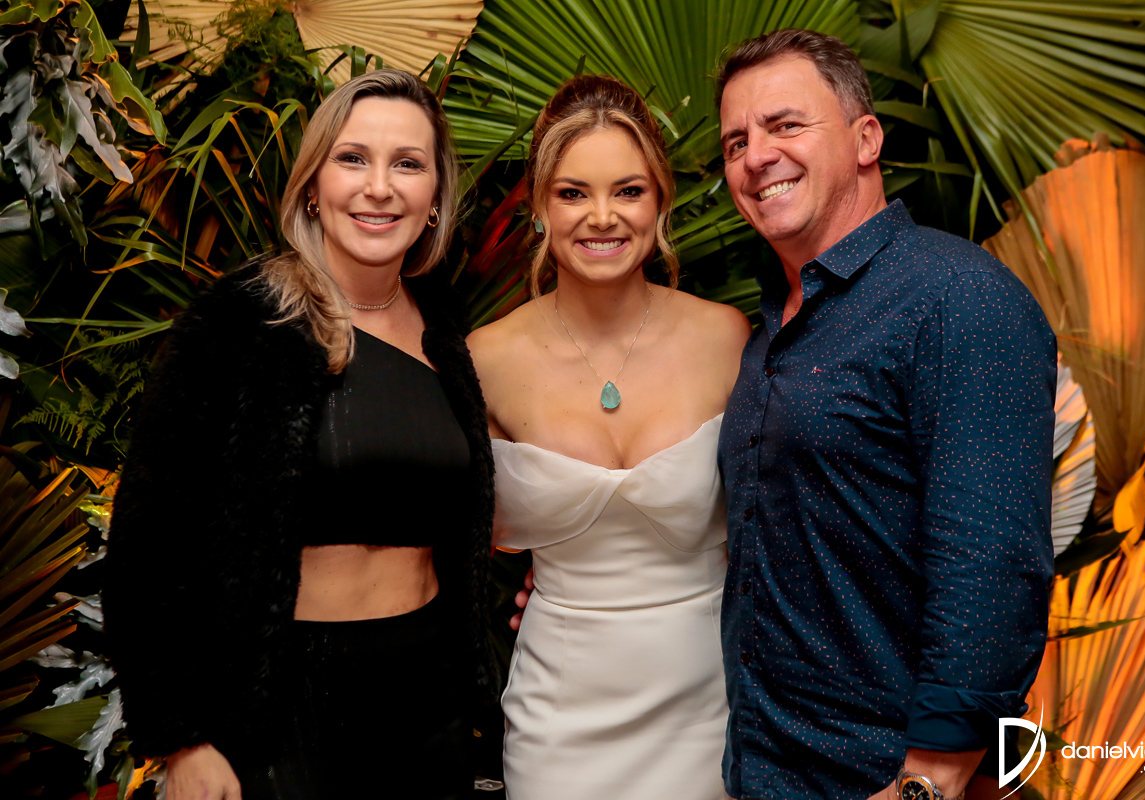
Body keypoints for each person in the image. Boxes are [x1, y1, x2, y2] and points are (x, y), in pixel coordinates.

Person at [103, 69, 497, 800]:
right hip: (281, 708)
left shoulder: (445, 330)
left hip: (427, 698)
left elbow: (468, 530)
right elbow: (147, 544)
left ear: (436, 196)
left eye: (407, 164)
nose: (379, 187)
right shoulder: (242, 320)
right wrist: (182, 738)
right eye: (353, 158)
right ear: (313, 184)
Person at [714, 30, 1056, 800]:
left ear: (866, 139)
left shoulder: (959, 297)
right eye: (736, 142)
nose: (757, 156)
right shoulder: (769, 329)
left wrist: (931, 775)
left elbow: (992, 560)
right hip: (767, 765)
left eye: (785, 125)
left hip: (887, 774)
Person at [467, 74, 750, 800]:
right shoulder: (485, 360)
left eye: (628, 191)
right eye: (573, 193)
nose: (602, 217)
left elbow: (782, 514)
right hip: (558, 715)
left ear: (660, 201)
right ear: (539, 206)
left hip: (714, 704)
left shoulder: (726, 337)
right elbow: (451, 534)